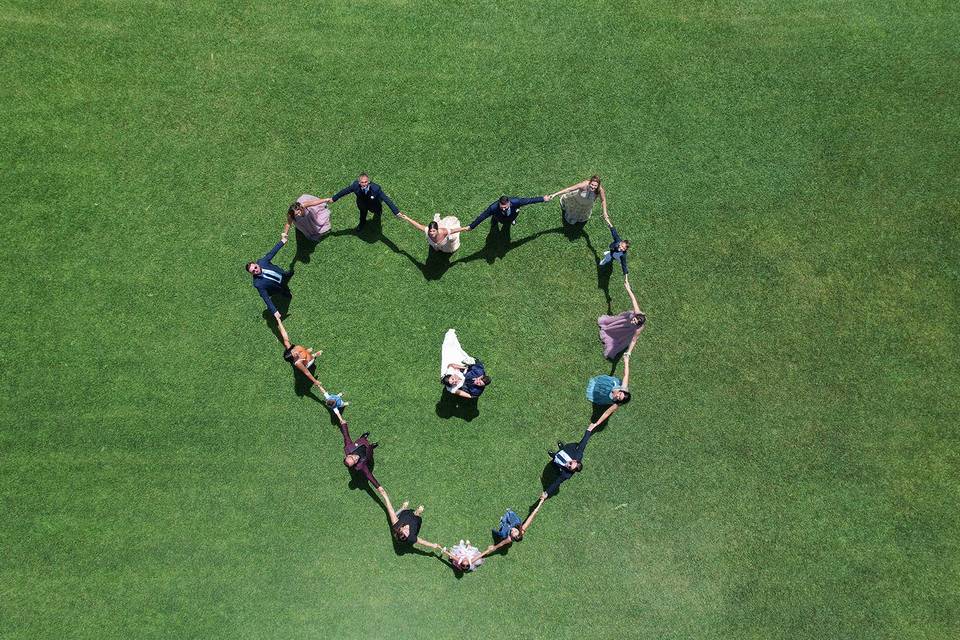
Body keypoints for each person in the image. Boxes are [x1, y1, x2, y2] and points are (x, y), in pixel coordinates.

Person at [586, 326, 637, 427]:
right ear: (623, 391)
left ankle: (597, 391)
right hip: (608, 385)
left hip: (604, 394)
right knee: (601, 383)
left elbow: (606, 413)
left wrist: (595, 424)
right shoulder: (624, 387)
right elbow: (626, 374)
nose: (618, 396)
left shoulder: (616, 404)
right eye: (620, 394)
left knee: (598, 393)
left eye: (619, 398)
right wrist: (626, 361)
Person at [480, 491, 547, 558]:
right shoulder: (522, 529)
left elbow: (501, 544)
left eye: (512, 533)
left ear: (512, 537)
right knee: (517, 521)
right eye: (515, 531)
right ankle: (509, 515)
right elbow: (533, 514)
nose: (513, 530)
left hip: (506, 531)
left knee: (503, 534)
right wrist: (541, 502)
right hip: (515, 524)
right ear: (519, 531)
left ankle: (503, 523)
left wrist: (493, 548)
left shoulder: (509, 539)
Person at [246, 233, 292, 330]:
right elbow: (266, 298)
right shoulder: (258, 284)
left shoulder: (263, 261)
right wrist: (274, 311)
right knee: (286, 292)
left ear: (256, 264)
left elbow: (272, 253)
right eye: (253, 271)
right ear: (252, 274)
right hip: (278, 287)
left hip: (281, 274)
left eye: (255, 267)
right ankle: (286, 293)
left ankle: (288, 275)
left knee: (287, 274)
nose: (255, 270)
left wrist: (282, 241)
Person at [376, 486, 443, 552]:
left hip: (405, 515)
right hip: (414, 521)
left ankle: (403, 508)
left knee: (401, 513)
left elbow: (390, 510)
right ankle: (417, 512)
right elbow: (422, 541)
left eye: (405, 532)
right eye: (407, 534)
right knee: (416, 519)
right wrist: (433, 545)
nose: (408, 531)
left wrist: (385, 495)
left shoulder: (396, 525)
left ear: (400, 529)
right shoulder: (411, 537)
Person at [326, 173, 401, 230]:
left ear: (368, 181)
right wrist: (334, 198)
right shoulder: (355, 186)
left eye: (365, 182)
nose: (364, 184)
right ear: (359, 182)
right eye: (362, 182)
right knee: (362, 214)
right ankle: (362, 223)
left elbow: (387, 200)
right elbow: (344, 191)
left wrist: (396, 212)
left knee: (377, 210)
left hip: (374, 204)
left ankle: (378, 212)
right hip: (362, 204)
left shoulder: (376, 188)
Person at [598, 275, 646, 360]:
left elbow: (634, 340)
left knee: (618, 338)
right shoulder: (637, 312)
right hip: (623, 321)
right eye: (634, 319)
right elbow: (633, 299)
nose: (633, 321)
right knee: (613, 324)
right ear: (636, 316)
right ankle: (609, 327)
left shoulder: (638, 329)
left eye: (635, 323)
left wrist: (629, 352)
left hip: (626, 331)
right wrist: (628, 288)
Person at [544, 424, 599, 497]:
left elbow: (556, 483)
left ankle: (554, 455)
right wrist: (589, 430)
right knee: (563, 449)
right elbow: (583, 442)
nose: (568, 465)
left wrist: (546, 493)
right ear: (575, 460)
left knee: (556, 459)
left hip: (558, 461)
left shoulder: (566, 475)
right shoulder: (578, 454)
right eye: (570, 463)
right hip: (567, 450)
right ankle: (561, 447)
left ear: (572, 471)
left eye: (569, 467)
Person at [456, 194, 553, 233]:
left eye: (506, 207)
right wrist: (471, 226)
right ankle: (495, 220)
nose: (504, 209)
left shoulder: (515, 202)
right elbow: (482, 216)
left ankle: (512, 220)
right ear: (499, 203)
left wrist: (543, 199)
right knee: (497, 219)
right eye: (502, 207)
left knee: (511, 219)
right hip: (499, 217)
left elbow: (529, 201)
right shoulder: (493, 208)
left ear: (509, 203)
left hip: (512, 215)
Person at [396, 212, 462, 253]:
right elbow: (418, 226)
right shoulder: (427, 231)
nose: (432, 233)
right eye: (430, 231)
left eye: (434, 231)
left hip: (446, 243)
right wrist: (407, 218)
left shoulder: (444, 231)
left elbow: (454, 230)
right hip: (437, 244)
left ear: (437, 230)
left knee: (451, 242)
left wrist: (466, 228)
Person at [339, 421, 379, 487]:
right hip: (367, 453)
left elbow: (346, 435)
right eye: (354, 462)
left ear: (349, 455)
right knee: (370, 450)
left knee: (362, 440)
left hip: (361, 444)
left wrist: (343, 423)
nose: (355, 458)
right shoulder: (360, 466)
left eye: (352, 458)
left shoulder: (348, 448)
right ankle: (372, 446)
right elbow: (370, 477)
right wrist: (380, 489)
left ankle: (364, 437)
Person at [440, 328, 476, 397]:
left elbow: (450, 365)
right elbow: (462, 393)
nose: (454, 381)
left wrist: (464, 367)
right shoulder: (451, 389)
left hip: (456, 367)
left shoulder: (450, 371)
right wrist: (472, 396)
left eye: (452, 379)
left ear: (452, 375)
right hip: (465, 378)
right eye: (453, 383)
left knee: (451, 350)